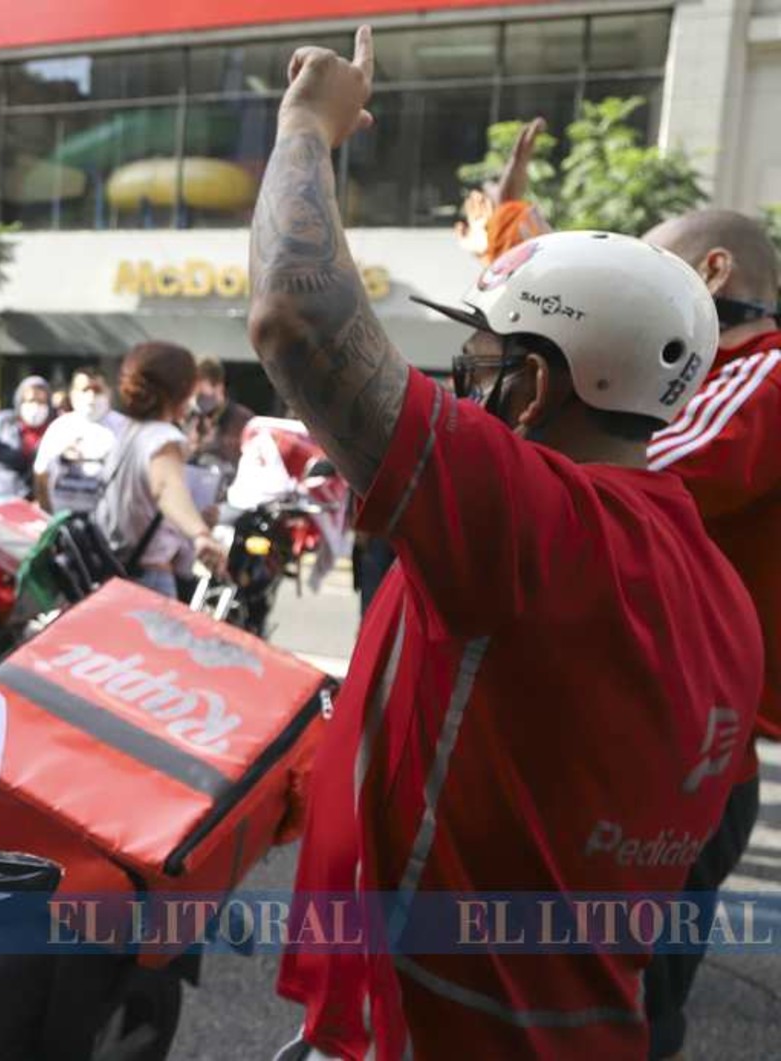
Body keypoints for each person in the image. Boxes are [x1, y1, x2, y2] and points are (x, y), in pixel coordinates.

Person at [250, 29, 760, 1061]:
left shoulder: (532, 527)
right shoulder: (711, 583)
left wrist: (307, 122)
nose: (460, 389)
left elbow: (293, 319)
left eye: (477, 365)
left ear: (531, 388)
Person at [640, 208, 781, 1061]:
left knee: (618, 1013)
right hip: (676, 744)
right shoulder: (718, 378)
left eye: (650, 271)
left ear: (713, 273)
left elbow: (628, 468)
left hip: (676, 755)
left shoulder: (759, 375)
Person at [95, 342, 226, 598]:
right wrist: (200, 533)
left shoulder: (128, 431)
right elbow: (165, 488)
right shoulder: (162, 438)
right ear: (181, 390)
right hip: (148, 578)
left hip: (113, 570)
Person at [453, 116, 551, 264]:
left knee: (518, 164)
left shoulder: (506, 207)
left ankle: (526, 136)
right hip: (505, 249)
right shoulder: (504, 206)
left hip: (506, 247)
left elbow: (518, 160)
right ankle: (526, 136)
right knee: (518, 163)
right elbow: (518, 160)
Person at [33, 368, 127, 514]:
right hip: (65, 521)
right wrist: (48, 515)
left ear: (108, 393)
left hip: (108, 525)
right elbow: (41, 474)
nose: (91, 396)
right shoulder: (59, 428)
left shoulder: (124, 428)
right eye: (84, 390)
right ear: (73, 394)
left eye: (97, 390)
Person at [0, 375, 53, 499]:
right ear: (20, 401)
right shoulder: (2, 423)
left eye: (41, 401)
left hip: (40, 503)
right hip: (4, 499)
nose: (36, 406)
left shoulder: (56, 428)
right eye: (31, 400)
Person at [187, 355, 255, 471]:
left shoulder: (243, 420)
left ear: (219, 387)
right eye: (194, 394)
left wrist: (214, 446)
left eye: (201, 394)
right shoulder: (193, 418)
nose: (197, 400)